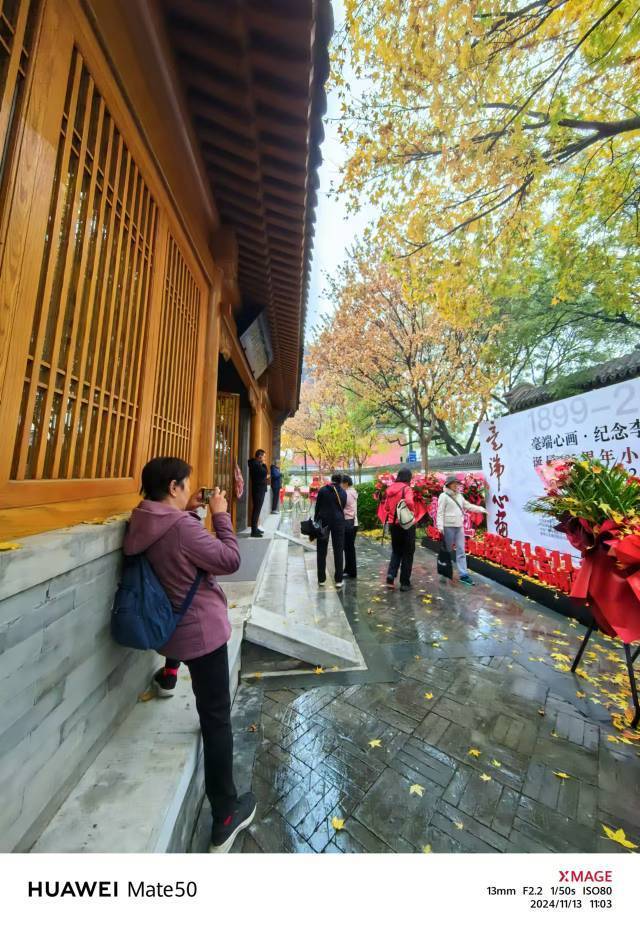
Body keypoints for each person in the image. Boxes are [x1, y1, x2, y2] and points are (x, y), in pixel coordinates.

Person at [123, 456, 256, 853]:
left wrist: (193, 509)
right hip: (202, 634)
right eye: (186, 485)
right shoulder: (181, 527)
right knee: (217, 722)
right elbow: (229, 559)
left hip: (171, 635)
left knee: (208, 706)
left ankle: (167, 675)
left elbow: (176, 546)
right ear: (174, 487)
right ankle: (226, 816)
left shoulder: (142, 519)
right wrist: (221, 515)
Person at [436, 474, 487, 586]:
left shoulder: (459, 496)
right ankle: (444, 573)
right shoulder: (443, 496)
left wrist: (481, 509)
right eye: (454, 483)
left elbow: (468, 506)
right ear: (448, 484)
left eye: (457, 483)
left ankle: (463, 575)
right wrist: (440, 527)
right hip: (447, 527)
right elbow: (440, 513)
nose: (456, 485)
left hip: (459, 526)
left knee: (461, 550)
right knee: (447, 551)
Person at [384, 467, 416, 590]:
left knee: (396, 551)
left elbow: (386, 507)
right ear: (408, 477)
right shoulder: (406, 489)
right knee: (408, 553)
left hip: (393, 524)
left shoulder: (389, 489)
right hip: (406, 525)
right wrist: (411, 511)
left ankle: (390, 576)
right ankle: (404, 583)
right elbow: (409, 502)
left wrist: (394, 512)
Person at [314, 473, 347, 589]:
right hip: (338, 522)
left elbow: (317, 507)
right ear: (341, 481)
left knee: (321, 550)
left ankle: (321, 579)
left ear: (332, 479)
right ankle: (338, 580)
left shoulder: (323, 490)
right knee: (338, 550)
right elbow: (342, 506)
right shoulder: (343, 492)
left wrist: (315, 521)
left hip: (324, 522)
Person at [247, 449, 268, 537]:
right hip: (258, 490)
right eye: (263, 456)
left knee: (257, 510)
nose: (264, 458)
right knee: (256, 510)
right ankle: (254, 531)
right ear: (259, 456)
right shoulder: (255, 464)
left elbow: (263, 473)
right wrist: (263, 464)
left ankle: (255, 528)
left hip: (259, 489)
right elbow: (264, 472)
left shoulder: (256, 464)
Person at [342, 474, 358, 578]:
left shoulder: (347, 493)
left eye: (341, 483)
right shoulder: (352, 492)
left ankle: (351, 572)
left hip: (348, 522)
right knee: (348, 547)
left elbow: (342, 507)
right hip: (353, 523)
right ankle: (348, 569)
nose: (340, 485)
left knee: (349, 548)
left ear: (346, 483)